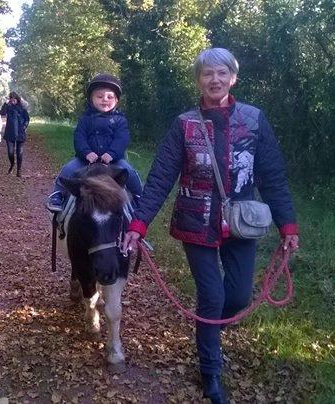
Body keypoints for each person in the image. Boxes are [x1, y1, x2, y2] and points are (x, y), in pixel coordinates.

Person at [121, 48, 300, 404]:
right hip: (196, 220)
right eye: (207, 74)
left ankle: (210, 334)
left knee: (235, 297)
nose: (214, 80)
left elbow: (273, 176)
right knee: (212, 297)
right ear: (198, 80)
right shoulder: (184, 124)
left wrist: (288, 226)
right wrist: (138, 224)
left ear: (233, 77)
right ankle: (211, 372)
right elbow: (160, 178)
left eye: (221, 73)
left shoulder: (253, 120)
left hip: (242, 223)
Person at [45, 73, 143, 212]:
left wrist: (111, 154)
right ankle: (58, 195)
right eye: (99, 96)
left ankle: (139, 198)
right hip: (86, 160)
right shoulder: (85, 119)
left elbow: (121, 139)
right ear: (91, 100)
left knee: (130, 173)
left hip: (112, 161)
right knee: (68, 169)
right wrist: (87, 153)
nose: (105, 100)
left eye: (110, 97)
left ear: (116, 101)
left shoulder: (120, 120)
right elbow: (79, 137)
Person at [0, 92, 30, 177]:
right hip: (10, 133)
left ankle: (18, 170)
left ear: (17, 99)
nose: (13, 102)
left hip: (20, 134)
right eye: (11, 100)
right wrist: (5, 103)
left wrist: (24, 127)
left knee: (19, 153)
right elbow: (2, 113)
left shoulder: (22, 107)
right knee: (10, 153)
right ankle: (12, 164)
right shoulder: (8, 107)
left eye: (14, 100)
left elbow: (27, 119)